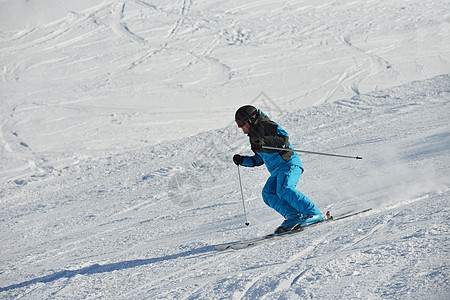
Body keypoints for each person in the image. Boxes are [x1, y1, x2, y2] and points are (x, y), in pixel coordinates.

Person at [233, 105, 324, 233]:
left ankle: (314, 214)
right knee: (268, 194)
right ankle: (293, 217)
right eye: (238, 124)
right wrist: (243, 160)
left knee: (284, 190)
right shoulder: (253, 137)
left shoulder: (267, 125)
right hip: (277, 171)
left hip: (288, 164)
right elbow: (259, 159)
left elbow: (283, 139)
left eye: (241, 123)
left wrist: (264, 141)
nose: (240, 127)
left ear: (251, 119)